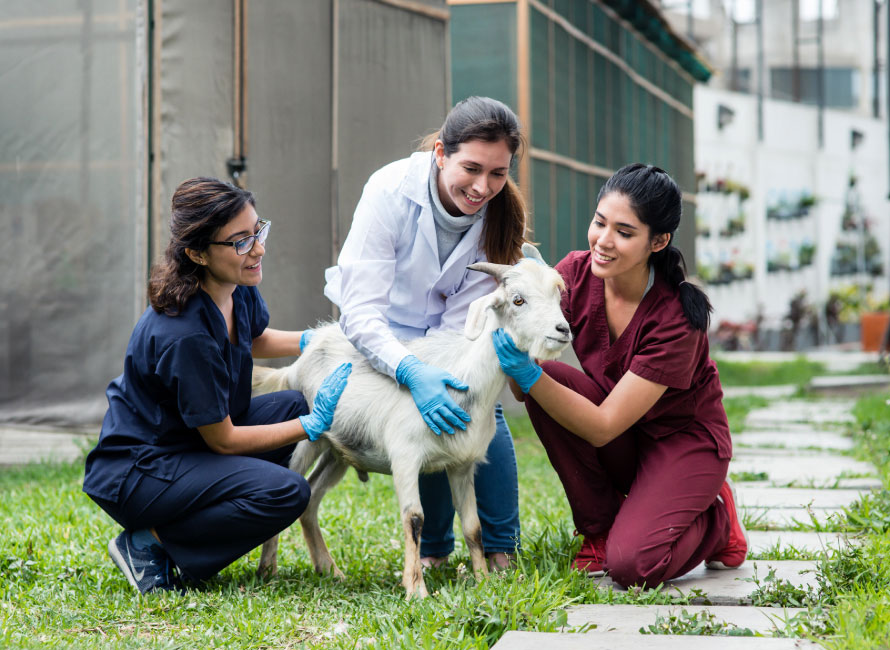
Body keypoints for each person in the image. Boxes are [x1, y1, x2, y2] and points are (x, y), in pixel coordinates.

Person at [83, 177, 351, 594]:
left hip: (188, 442)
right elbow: (223, 441)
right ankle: (148, 542)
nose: (258, 249)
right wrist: (312, 426)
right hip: (141, 469)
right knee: (286, 492)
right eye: (241, 241)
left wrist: (314, 340)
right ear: (197, 253)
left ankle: (186, 524)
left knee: (292, 404)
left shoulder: (233, 287)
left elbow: (253, 338)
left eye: (258, 230)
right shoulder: (185, 333)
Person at [491, 163, 747, 588]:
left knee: (634, 567)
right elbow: (525, 392)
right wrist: (519, 344)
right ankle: (599, 529)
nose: (603, 242)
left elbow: (603, 426)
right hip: (626, 437)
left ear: (658, 241)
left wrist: (528, 374)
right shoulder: (572, 275)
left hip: (683, 443)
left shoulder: (675, 319)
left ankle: (717, 518)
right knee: (550, 377)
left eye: (624, 233)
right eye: (599, 223)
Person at [322, 96, 528, 569]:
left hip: (451, 342)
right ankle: (434, 549)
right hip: (383, 338)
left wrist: (445, 369)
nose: (483, 187)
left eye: (498, 173)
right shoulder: (389, 190)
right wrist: (410, 368)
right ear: (440, 152)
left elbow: (465, 320)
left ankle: (500, 548)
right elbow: (360, 312)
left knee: (476, 412)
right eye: (471, 168)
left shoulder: (500, 217)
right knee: (419, 420)